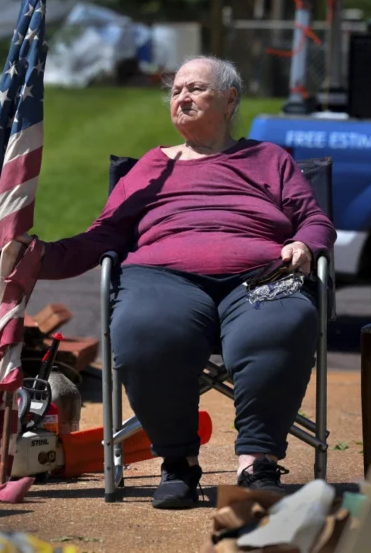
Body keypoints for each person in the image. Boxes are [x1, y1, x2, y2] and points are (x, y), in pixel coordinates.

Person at [17, 56, 336, 509]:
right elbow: (103, 235)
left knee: (282, 322)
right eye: (175, 90)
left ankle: (257, 461)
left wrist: (304, 244)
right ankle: (178, 461)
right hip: (163, 278)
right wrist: (40, 257)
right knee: (144, 330)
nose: (181, 96)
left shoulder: (269, 159)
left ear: (229, 100)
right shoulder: (150, 166)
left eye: (195, 88)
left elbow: (315, 219)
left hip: (260, 276)